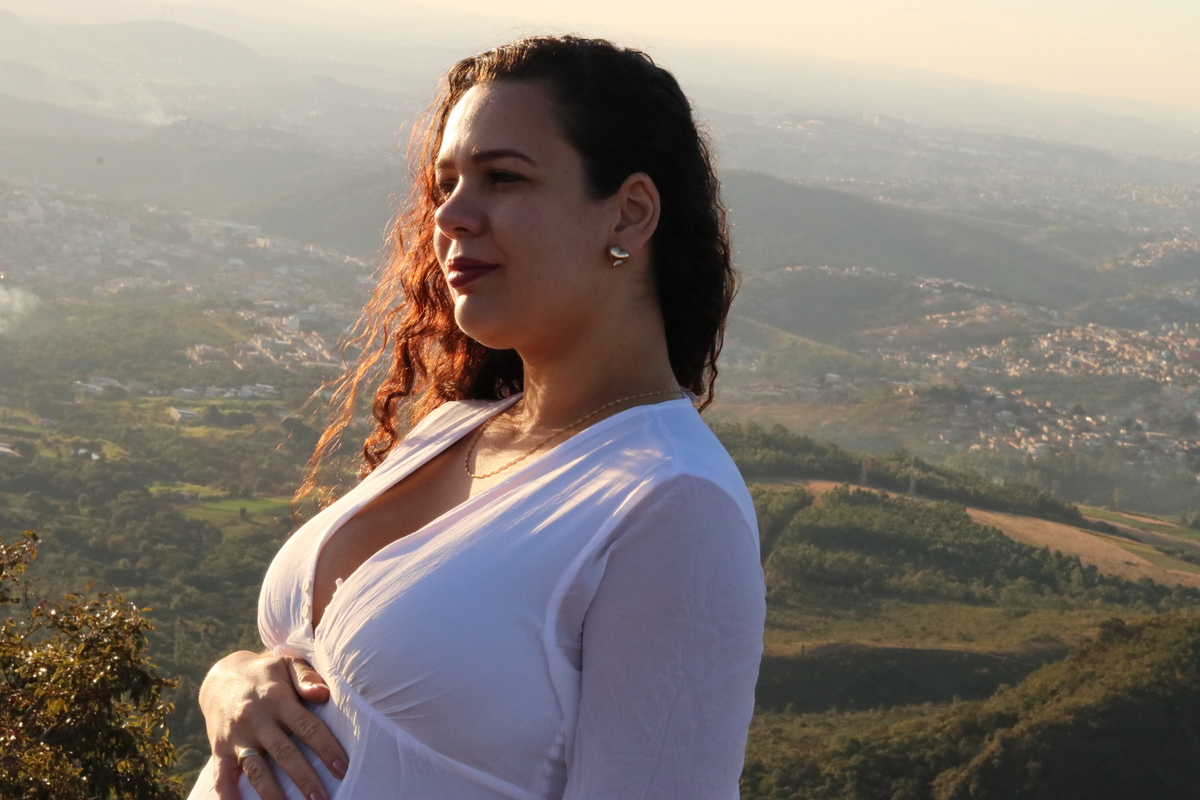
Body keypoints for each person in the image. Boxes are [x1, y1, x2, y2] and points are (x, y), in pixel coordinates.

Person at [189, 35, 765, 800]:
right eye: (446, 184)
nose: (452, 216)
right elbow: (323, 667)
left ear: (629, 216)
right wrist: (231, 678)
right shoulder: (457, 427)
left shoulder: (676, 504)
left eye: (504, 178)